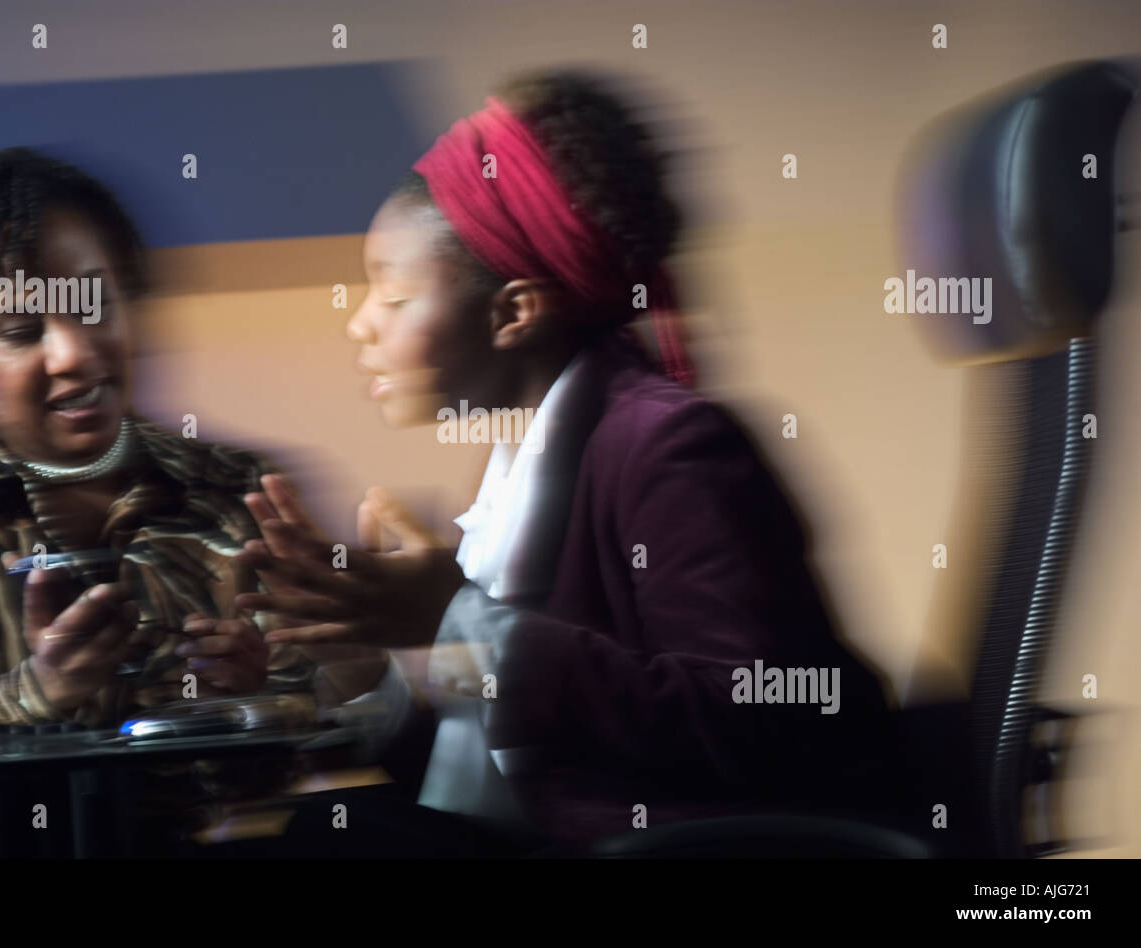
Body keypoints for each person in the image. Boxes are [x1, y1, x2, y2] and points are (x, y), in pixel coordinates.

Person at [235, 70, 899, 848]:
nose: (360, 325)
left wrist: (458, 618)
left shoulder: (667, 443)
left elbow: (760, 716)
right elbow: (497, 784)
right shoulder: (527, 460)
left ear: (513, 312)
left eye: (393, 295)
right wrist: (357, 666)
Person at [0, 148, 333, 807]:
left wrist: (245, 709)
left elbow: (284, 772)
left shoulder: (238, 487)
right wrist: (45, 688)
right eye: (21, 331)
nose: (74, 354)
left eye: (96, 306)